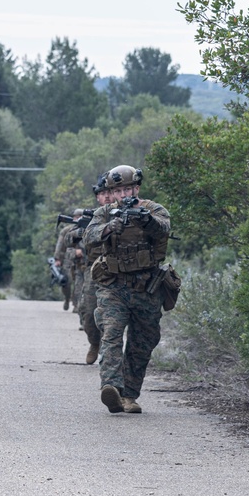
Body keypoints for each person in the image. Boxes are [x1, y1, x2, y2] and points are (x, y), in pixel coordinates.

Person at [83, 165, 171, 415]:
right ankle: (111, 386)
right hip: (113, 285)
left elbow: (164, 228)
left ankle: (130, 395)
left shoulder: (154, 209)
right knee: (111, 332)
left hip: (147, 287)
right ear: (113, 192)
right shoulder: (104, 213)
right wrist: (111, 227)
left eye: (129, 189)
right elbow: (89, 236)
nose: (124, 194)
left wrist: (145, 220)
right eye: (118, 190)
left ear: (137, 188)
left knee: (142, 342)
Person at [77, 175, 113, 365]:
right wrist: (79, 232)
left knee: (113, 316)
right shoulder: (93, 217)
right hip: (94, 269)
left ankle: (111, 354)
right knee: (88, 313)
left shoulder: (125, 212)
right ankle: (94, 343)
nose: (106, 197)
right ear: (97, 197)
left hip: (118, 270)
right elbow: (70, 238)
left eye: (109, 192)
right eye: (102, 194)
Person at [53, 221, 74, 311]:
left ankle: (77, 304)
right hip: (67, 260)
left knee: (80, 284)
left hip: (82, 260)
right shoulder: (66, 230)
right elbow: (60, 244)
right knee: (66, 282)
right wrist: (57, 258)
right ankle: (67, 298)